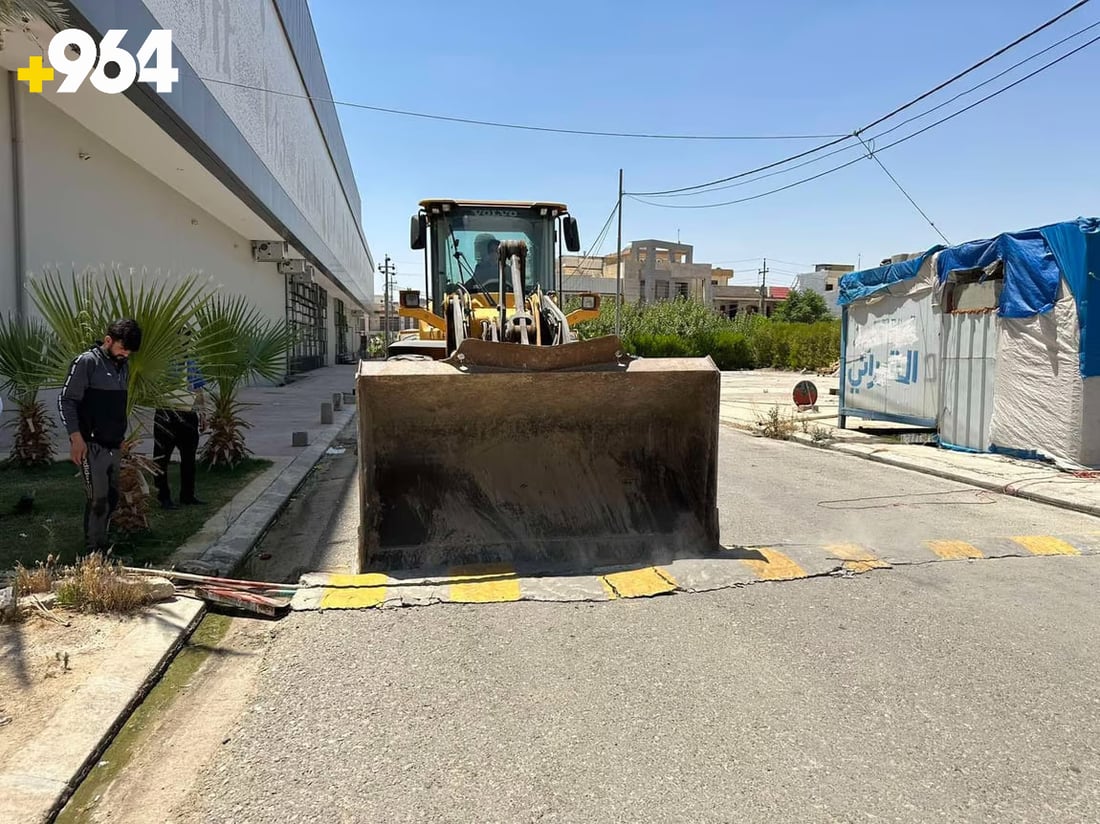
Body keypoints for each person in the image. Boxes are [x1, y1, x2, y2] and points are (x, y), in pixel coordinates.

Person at [58, 318, 142, 554]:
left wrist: (120, 434)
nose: (125, 355)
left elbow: (115, 405)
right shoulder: (87, 362)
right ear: (108, 340)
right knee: (97, 500)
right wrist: (76, 438)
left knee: (112, 498)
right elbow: (66, 400)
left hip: (113, 445)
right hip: (90, 444)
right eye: (122, 348)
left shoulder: (122, 366)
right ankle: (93, 552)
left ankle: (103, 543)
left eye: (129, 352)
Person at [153, 329, 207, 509]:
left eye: (187, 341)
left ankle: (188, 495)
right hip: (166, 414)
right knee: (161, 458)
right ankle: (163, 497)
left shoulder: (192, 362)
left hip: (188, 414)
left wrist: (203, 413)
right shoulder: (163, 362)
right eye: (180, 341)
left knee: (189, 458)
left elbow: (198, 389)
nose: (184, 344)